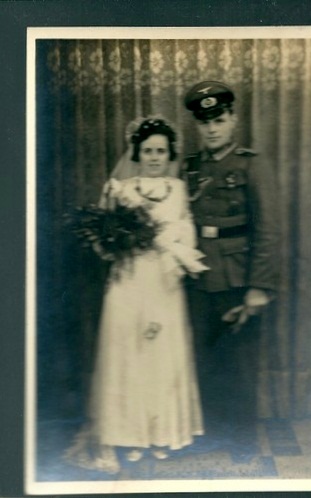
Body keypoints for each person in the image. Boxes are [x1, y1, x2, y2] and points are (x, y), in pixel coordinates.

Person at [65, 117, 207, 473]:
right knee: (130, 354)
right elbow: (104, 243)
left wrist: (174, 237)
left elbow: (188, 233)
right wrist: (120, 241)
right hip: (129, 281)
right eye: (148, 151)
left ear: (170, 153)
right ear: (137, 153)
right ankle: (130, 435)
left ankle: (161, 435)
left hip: (165, 281)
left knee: (162, 354)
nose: (155, 157)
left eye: (161, 150)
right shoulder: (119, 189)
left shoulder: (177, 189)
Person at [182, 81, 279, 445]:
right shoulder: (189, 168)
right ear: (197, 126)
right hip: (197, 277)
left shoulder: (253, 166)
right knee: (204, 361)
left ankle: (241, 440)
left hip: (239, 278)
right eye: (204, 122)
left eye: (218, 119)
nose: (211, 128)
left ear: (233, 119)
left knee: (239, 363)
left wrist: (259, 287)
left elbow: (269, 230)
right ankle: (210, 434)